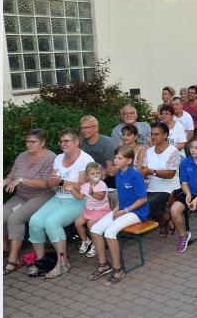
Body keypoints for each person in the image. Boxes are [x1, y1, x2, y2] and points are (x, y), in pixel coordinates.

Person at [26, 129, 94, 278]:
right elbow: (54, 182)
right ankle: (40, 261)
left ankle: (62, 263)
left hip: (77, 199)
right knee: (35, 221)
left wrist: (62, 182)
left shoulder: (86, 159)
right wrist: (52, 182)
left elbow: (83, 185)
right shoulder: (58, 158)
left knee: (52, 222)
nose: (63, 144)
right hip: (59, 197)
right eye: (61, 141)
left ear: (76, 142)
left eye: (66, 141)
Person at [87, 145, 149, 286]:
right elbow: (122, 195)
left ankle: (118, 269)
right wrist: (116, 208)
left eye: (119, 158)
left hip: (137, 212)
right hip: (122, 209)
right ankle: (104, 265)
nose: (115, 160)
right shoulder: (119, 174)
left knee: (110, 232)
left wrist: (125, 211)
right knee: (95, 229)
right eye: (115, 157)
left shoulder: (135, 174)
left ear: (128, 161)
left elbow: (143, 199)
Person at [3, 129, 57, 275]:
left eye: (32, 142)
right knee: (1, 215)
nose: (28, 145)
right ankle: (5, 247)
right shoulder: (22, 156)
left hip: (42, 195)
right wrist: (3, 182)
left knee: (15, 218)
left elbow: (46, 184)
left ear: (43, 143)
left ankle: (13, 260)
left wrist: (21, 180)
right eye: (27, 141)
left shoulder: (51, 158)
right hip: (22, 195)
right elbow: (12, 176)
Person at [141, 122, 181, 238]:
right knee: (141, 203)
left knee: (150, 204)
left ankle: (163, 222)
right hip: (151, 187)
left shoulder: (173, 151)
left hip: (169, 188)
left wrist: (151, 172)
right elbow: (145, 169)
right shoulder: (149, 151)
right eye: (152, 134)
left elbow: (171, 174)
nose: (153, 137)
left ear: (165, 135)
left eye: (156, 134)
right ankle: (165, 219)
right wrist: (145, 174)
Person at [71, 162, 111, 258]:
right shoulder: (85, 186)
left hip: (101, 210)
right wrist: (71, 190)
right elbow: (80, 197)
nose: (96, 175)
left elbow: (100, 197)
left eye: (98, 173)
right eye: (93, 174)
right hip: (89, 210)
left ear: (101, 174)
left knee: (90, 224)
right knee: (78, 222)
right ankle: (85, 241)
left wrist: (93, 193)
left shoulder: (102, 185)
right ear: (87, 176)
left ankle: (95, 244)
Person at [79, 115, 116, 186]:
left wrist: (95, 182)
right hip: (84, 177)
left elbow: (109, 169)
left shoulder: (107, 142)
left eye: (86, 127)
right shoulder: (80, 143)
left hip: (104, 178)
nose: (83, 130)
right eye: (82, 128)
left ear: (96, 128)